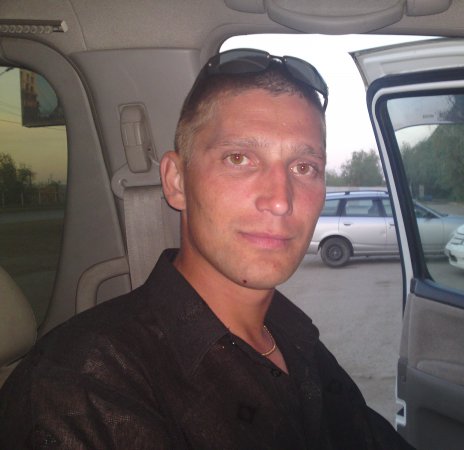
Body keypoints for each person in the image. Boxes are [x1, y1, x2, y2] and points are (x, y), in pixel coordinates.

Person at [0, 48, 410, 449]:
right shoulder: (80, 389)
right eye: (239, 158)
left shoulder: (295, 337)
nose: (280, 200)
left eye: (304, 167)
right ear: (177, 181)